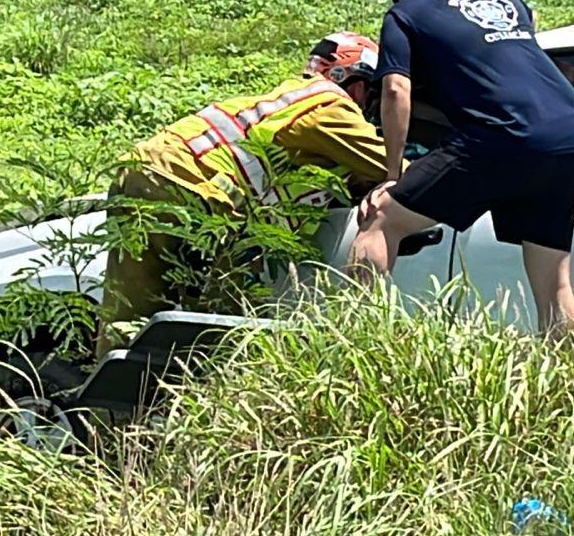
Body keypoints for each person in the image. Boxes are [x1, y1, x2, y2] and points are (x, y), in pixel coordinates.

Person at [348, 0, 574, 339]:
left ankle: (362, 345)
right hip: (569, 134)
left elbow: (395, 88)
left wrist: (391, 176)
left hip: (499, 133)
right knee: (554, 282)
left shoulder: (405, 13)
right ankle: (565, 385)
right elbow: (525, 28)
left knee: (380, 219)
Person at [98, 32, 387, 356]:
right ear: (353, 81)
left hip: (144, 172)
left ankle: (109, 403)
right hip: (190, 190)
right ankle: (198, 395)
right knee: (219, 318)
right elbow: (393, 166)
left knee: (128, 311)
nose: (371, 105)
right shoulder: (329, 106)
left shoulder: (288, 97)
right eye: (373, 92)